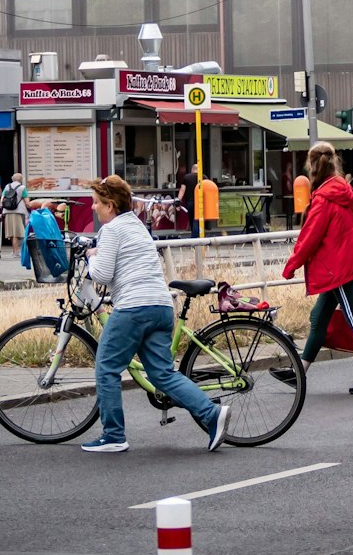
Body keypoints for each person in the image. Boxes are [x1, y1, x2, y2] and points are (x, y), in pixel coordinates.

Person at [82, 174, 226, 452]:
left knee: (106, 367)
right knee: (162, 375)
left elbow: (101, 274)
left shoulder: (111, 230)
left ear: (110, 206)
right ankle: (211, 414)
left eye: (96, 202)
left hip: (134, 309)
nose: (93, 208)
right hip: (160, 306)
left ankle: (113, 437)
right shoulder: (135, 225)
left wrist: (91, 257)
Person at [277, 142, 353, 395]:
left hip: (334, 266)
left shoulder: (324, 197)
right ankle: (299, 373)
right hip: (340, 261)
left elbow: (310, 235)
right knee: (319, 318)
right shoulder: (341, 189)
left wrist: (292, 264)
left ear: (311, 165)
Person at [20, 200, 68, 279]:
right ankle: (57, 270)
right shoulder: (44, 214)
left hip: (39, 235)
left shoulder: (38, 215)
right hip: (44, 238)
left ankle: (56, 270)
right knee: (50, 251)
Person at [2, 172, 28, 253]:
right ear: (21, 180)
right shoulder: (22, 188)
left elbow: (1, 200)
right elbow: (27, 202)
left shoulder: (7, 186)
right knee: (17, 233)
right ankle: (17, 252)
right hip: (18, 212)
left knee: (13, 233)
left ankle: (15, 251)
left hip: (8, 211)